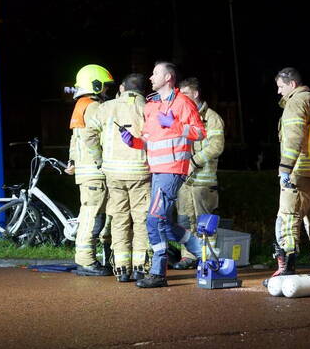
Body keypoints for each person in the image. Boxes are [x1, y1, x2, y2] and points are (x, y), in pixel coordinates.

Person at [118, 61, 205, 288]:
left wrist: (175, 125)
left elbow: (199, 133)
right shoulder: (152, 106)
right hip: (157, 171)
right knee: (163, 222)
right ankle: (202, 251)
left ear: (168, 77)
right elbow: (148, 140)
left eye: (155, 73)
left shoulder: (183, 103)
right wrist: (134, 141)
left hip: (173, 170)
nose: (150, 78)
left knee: (154, 220)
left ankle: (158, 273)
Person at [86, 73, 151, 282]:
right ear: (143, 91)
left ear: (122, 88)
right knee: (141, 220)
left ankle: (122, 268)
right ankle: (141, 267)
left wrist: (98, 159)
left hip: (113, 173)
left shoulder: (106, 108)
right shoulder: (149, 108)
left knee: (120, 219)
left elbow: (88, 135)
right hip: (142, 172)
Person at [271, 67, 310, 280]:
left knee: (288, 218)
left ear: (292, 84)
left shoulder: (296, 102)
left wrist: (285, 169)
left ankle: (286, 269)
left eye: (281, 86)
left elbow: (293, 138)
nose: (279, 92)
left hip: (299, 172)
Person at [174, 77, 226, 268]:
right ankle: (188, 256)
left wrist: (194, 161)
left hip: (203, 182)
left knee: (205, 223)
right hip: (184, 182)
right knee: (185, 221)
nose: (181, 98)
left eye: (185, 93)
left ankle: (209, 258)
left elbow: (217, 146)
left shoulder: (212, 118)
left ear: (195, 94)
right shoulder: (181, 116)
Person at [66, 64, 113, 276]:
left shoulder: (81, 105)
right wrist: (102, 160)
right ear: (95, 85)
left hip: (86, 170)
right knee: (92, 216)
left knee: (91, 214)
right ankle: (86, 261)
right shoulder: (93, 106)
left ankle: (89, 258)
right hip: (95, 171)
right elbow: (90, 137)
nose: (106, 91)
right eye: (104, 87)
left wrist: (72, 161)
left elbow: (74, 139)